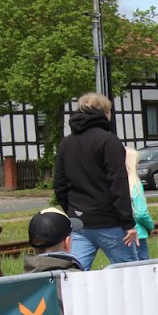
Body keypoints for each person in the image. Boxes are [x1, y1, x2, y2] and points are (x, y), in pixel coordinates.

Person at [54, 92, 138, 269]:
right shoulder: (109, 141)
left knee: (75, 274)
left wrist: (72, 210)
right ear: (105, 112)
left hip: (79, 222)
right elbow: (118, 184)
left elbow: (60, 185)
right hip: (109, 221)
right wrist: (128, 223)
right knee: (129, 272)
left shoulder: (66, 143)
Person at [124, 146, 155, 260]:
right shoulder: (135, 184)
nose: (138, 165)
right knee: (142, 265)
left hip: (121, 234)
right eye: (137, 162)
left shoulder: (115, 184)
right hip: (138, 233)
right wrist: (150, 226)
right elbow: (140, 213)